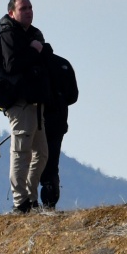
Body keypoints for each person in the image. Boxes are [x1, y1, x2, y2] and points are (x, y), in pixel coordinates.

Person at [0, 0, 51, 212]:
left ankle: (30, 197)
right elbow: (11, 65)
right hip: (19, 103)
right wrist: (35, 51)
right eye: (23, 8)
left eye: (30, 7)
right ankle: (21, 203)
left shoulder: (34, 34)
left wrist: (39, 50)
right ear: (12, 13)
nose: (28, 11)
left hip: (36, 102)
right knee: (21, 152)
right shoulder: (8, 34)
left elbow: (47, 56)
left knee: (42, 153)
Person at [39, 49, 78, 209]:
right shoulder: (62, 63)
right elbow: (73, 96)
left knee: (32, 161)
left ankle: (28, 201)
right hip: (58, 121)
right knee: (52, 163)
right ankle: (50, 202)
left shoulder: (31, 64)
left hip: (36, 121)